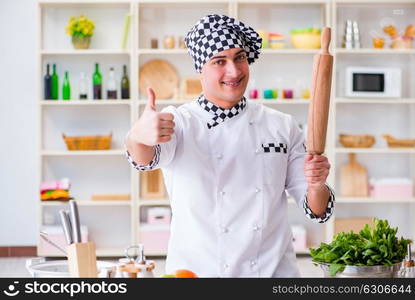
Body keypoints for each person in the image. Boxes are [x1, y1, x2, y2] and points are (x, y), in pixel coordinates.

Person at [125, 14, 335, 277]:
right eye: (219, 62)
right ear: (200, 68)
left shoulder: (282, 125)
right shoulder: (179, 122)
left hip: (272, 273)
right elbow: (144, 159)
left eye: (240, 58)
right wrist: (137, 136)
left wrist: (317, 184)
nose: (234, 71)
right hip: (196, 275)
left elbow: (316, 209)